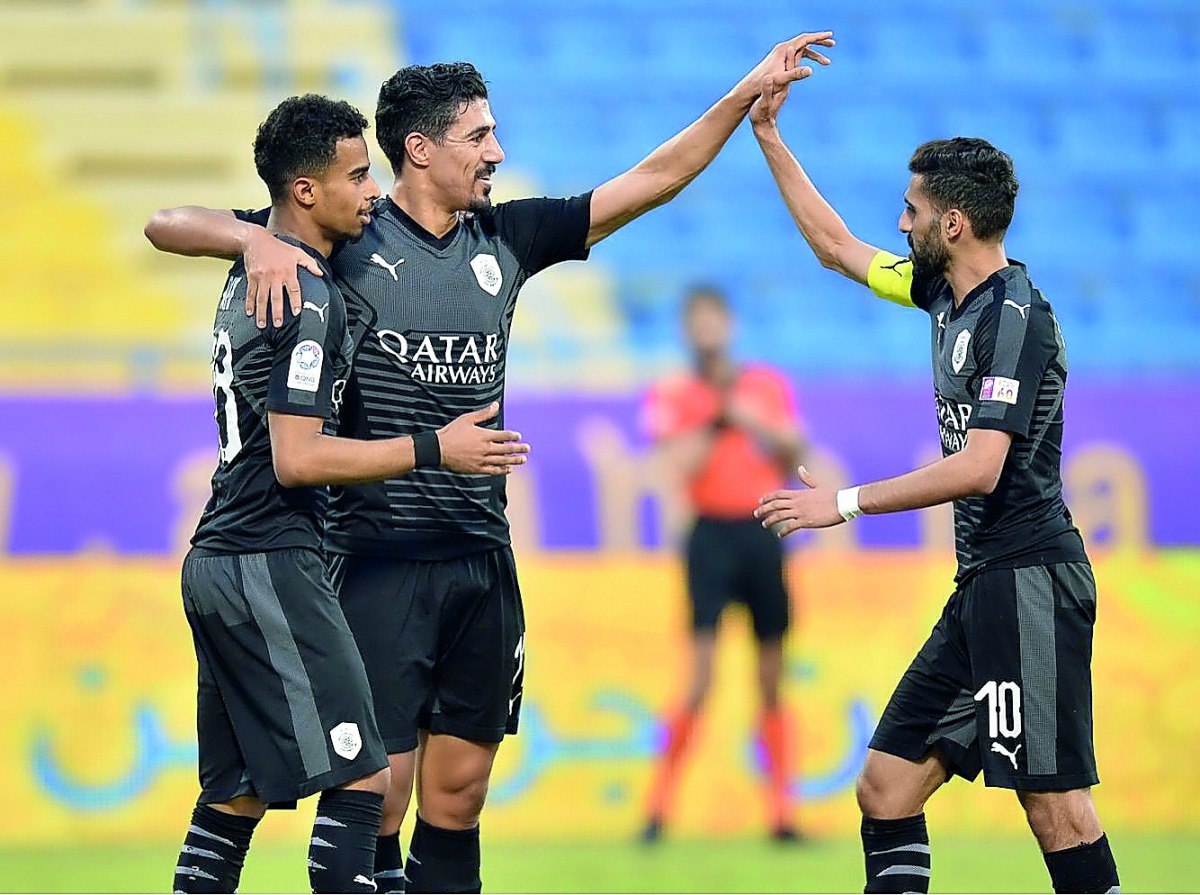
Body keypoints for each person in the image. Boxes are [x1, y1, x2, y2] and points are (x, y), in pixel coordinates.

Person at [146, 34, 835, 894]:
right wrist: (250, 242)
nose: (497, 152)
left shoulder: (508, 236)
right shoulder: (345, 232)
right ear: (420, 149)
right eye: (478, 136)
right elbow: (168, 222)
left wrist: (743, 95)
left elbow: (655, 178)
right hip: (375, 557)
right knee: (378, 794)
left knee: (460, 794)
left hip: (480, 558)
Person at [745, 67, 1120, 894]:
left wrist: (842, 503)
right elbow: (836, 248)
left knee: (1055, 807)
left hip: (1031, 581)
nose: (900, 222)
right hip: (983, 586)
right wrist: (768, 136)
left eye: (911, 210)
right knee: (886, 784)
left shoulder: (1017, 319)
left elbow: (982, 467)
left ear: (953, 222)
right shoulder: (940, 293)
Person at [171, 94, 529, 895]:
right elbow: (297, 459)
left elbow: (166, 222)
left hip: (218, 556)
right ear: (306, 190)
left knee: (233, 796)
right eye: (360, 176)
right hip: (272, 556)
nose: (374, 191)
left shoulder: (254, 269)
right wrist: (435, 447)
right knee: (365, 776)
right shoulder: (308, 292)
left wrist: (248, 237)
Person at [639, 285, 806, 843]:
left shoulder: (763, 385)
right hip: (708, 535)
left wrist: (748, 419)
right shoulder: (676, 392)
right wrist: (716, 421)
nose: (707, 330)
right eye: (697, 321)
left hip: (762, 528)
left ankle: (782, 815)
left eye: (714, 320)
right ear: (687, 330)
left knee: (771, 677)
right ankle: (658, 809)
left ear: (729, 325)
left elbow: (793, 451)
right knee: (700, 677)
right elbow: (675, 465)